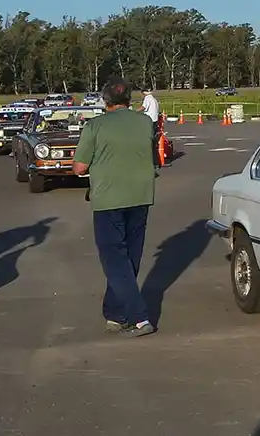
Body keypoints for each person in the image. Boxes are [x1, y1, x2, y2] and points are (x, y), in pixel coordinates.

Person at [73, 78, 159, 338]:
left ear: (105, 100)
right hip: (141, 196)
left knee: (113, 259)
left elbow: (79, 167)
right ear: (129, 99)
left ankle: (139, 317)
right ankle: (114, 312)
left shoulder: (95, 126)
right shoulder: (145, 122)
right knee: (130, 257)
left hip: (109, 199)